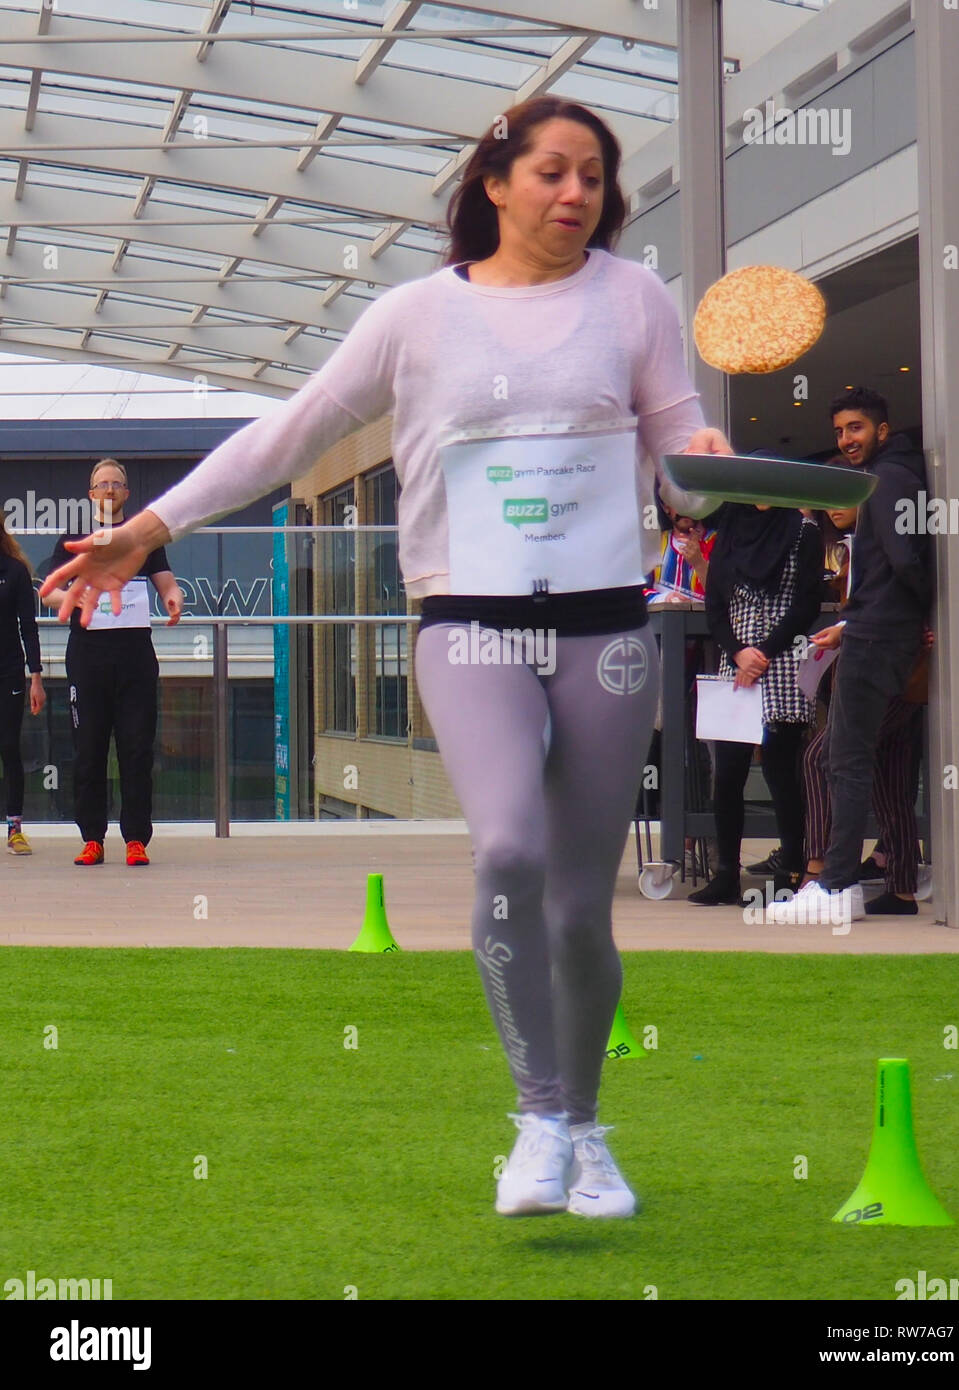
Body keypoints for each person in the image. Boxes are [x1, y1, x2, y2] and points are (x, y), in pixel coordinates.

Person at [42, 96, 733, 1218]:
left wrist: (701, 456)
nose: (573, 194)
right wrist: (147, 529)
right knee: (507, 844)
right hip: (467, 620)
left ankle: (584, 1133)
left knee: (575, 906)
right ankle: (534, 1114)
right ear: (495, 184)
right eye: (551, 172)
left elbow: (681, 473)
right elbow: (290, 434)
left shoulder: (633, 298)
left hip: (606, 625)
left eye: (594, 180)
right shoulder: (414, 317)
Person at [768, 388, 931, 925]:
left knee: (845, 761)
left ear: (882, 431)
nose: (846, 439)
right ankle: (856, 882)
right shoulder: (899, 477)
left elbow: (908, 563)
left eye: (856, 428)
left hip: (878, 635)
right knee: (860, 763)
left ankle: (834, 884)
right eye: (840, 431)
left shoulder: (885, 483)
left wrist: (894, 619)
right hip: (880, 632)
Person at [41, 459, 184, 866]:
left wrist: (173, 599)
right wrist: (75, 599)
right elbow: (49, 591)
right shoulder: (73, 539)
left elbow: (168, 584)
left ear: (126, 493)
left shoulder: (143, 539)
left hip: (135, 659)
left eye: (116, 484)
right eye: (101, 484)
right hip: (88, 659)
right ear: (91, 494)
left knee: (136, 750)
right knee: (88, 750)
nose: (108, 490)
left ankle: (136, 839)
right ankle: (92, 839)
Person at [689, 503, 823, 906]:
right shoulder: (730, 527)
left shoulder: (803, 531)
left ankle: (790, 871)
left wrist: (762, 652)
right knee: (727, 773)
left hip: (781, 661)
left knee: (782, 771)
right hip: (738, 665)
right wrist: (737, 653)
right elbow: (716, 604)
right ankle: (726, 875)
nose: (760, 502)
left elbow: (805, 603)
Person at [0, 512, 46, 854]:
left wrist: (36, 677)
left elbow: (28, 626)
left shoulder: (14, 571)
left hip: (9, 672)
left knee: (8, 747)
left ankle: (14, 827)